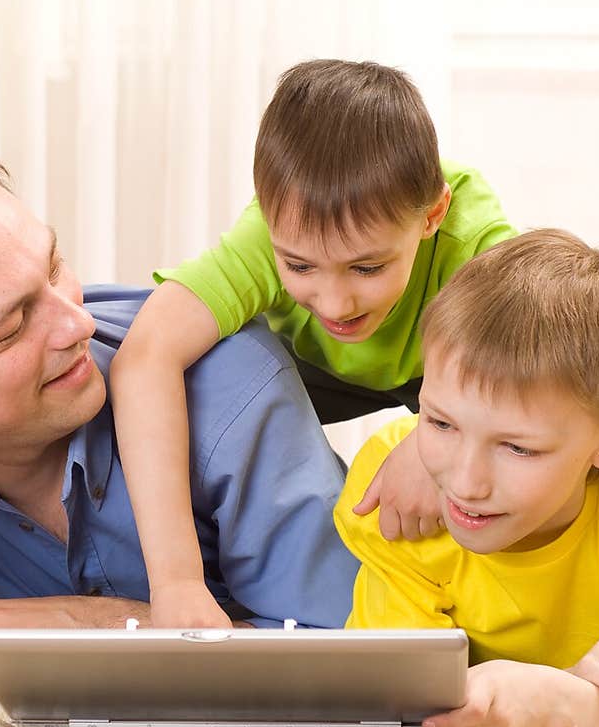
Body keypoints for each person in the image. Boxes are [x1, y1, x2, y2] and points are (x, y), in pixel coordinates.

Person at [0, 150, 361, 721]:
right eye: (11, 328)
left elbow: (358, 659)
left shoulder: (226, 381)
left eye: (53, 267)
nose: (78, 323)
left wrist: (86, 626)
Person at [109, 57, 516, 629]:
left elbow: (537, 368)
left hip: (453, 372)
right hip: (307, 370)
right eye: (300, 265)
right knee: (202, 367)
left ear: (432, 216)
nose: (335, 303)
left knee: (580, 412)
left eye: (367, 267)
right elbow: (146, 357)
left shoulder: (474, 238)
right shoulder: (267, 236)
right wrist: (175, 582)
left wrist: (434, 441)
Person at [334, 228, 599, 727]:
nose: (466, 484)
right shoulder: (395, 494)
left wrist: (554, 699)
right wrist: (577, 691)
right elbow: (400, 721)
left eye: (518, 449)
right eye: (440, 423)